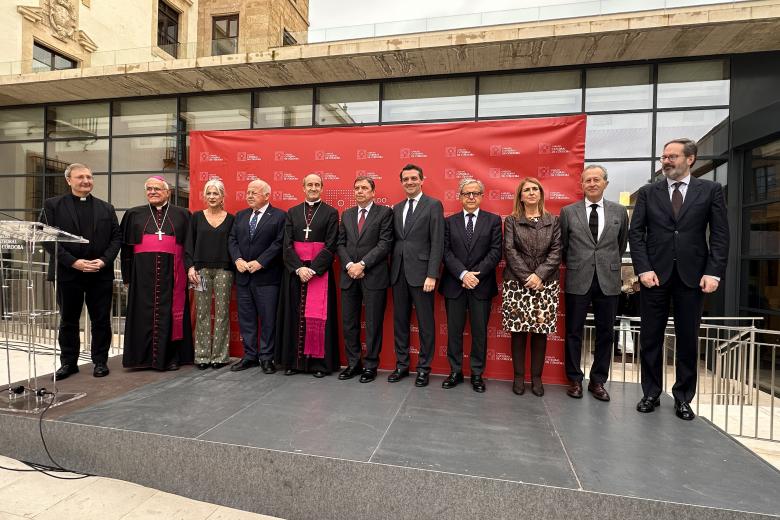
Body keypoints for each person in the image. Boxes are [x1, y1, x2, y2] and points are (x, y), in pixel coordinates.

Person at [630, 138, 729, 420]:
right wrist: (643, 268)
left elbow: (720, 234)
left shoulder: (710, 190)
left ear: (690, 159)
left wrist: (714, 271)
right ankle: (651, 393)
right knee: (650, 338)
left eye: (672, 156)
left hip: (692, 277)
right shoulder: (649, 192)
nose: (666, 161)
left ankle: (683, 398)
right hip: (654, 278)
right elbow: (636, 234)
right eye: (664, 157)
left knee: (687, 340)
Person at [42, 163, 121, 380]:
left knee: (101, 320)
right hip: (68, 273)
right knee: (68, 320)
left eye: (89, 176)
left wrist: (104, 261)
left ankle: (100, 362)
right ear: (69, 180)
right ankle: (69, 363)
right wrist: (73, 262)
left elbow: (116, 238)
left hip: (99, 273)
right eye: (80, 177)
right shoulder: (53, 206)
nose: (86, 180)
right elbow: (47, 238)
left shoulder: (107, 208)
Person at [560, 165, 628, 401]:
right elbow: (564, 248)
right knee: (573, 332)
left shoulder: (619, 212)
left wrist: (605, 264)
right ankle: (575, 380)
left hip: (608, 280)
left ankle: (598, 381)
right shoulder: (568, 212)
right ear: (581, 185)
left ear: (605, 183)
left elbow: (620, 246)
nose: (592, 183)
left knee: (606, 333)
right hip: (578, 278)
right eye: (587, 180)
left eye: (596, 179)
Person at [120, 176, 193, 371]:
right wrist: (127, 277)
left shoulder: (183, 214)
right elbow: (125, 249)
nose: (152, 192)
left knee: (171, 314)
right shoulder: (133, 214)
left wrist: (190, 269)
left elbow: (189, 246)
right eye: (149, 189)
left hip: (173, 274)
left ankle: (172, 357)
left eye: (157, 189)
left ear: (167, 192)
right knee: (142, 315)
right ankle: (141, 358)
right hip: (142, 275)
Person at [439, 178, 502, 393]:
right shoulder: (449, 222)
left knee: (479, 332)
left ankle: (477, 374)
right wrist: (463, 274)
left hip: (481, 284)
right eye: (467, 193)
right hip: (455, 284)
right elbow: (445, 252)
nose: (471, 197)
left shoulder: (493, 220)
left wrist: (475, 275)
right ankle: (455, 371)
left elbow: (495, 252)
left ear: (482, 196)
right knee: (454, 332)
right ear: (460, 197)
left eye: (475, 193)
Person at [275, 173, 340, 377]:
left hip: (318, 273)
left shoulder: (331, 213)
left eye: (317, 184)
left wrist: (313, 269)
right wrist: (298, 268)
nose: (313, 187)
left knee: (317, 317)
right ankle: (293, 362)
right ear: (303, 187)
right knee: (294, 315)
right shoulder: (292, 212)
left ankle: (318, 365)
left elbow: (331, 245)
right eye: (309, 184)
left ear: (322, 188)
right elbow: (286, 245)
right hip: (296, 273)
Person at [502, 178, 561, 397]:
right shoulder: (512, 220)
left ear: (541, 194)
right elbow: (509, 250)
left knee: (540, 333)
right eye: (526, 190)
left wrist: (540, 275)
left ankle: (536, 378)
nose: (531, 192)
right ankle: (518, 377)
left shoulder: (552, 221)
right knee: (518, 332)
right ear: (520, 196)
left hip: (545, 284)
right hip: (517, 283)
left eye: (535, 189)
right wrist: (528, 276)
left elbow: (557, 251)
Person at [389, 164, 444, 387]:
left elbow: (437, 241)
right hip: (398, 273)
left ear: (422, 180)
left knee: (425, 323)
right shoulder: (396, 208)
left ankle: (423, 368)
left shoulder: (433, 205)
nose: (409, 182)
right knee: (400, 321)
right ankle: (402, 365)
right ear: (401, 182)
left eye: (413, 178)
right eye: (405, 179)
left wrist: (432, 274)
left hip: (422, 275)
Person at [336, 176, 393, 383]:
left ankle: (370, 366)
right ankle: (353, 364)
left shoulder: (385, 213)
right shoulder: (347, 214)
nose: (360, 191)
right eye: (357, 188)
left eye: (364, 188)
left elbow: (385, 244)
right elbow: (340, 244)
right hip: (349, 275)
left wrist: (363, 265)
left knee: (373, 323)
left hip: (374, 276)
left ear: (373, 192)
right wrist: (350, 265)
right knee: (349, 323)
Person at [228, 179, 285, 373]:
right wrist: (237, 260)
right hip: (244, 277)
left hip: (267, 278)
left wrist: (261, 262)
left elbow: (279, 243)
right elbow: (232, 239)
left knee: (268, 319)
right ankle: (250, 356)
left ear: (267, 195)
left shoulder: (279, 216)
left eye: (254, 192)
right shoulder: (241, 216)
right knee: (246, 319)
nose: (249, 196)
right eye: (248, 192)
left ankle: (267, 358)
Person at [185, 179, 235, 370]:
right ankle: (202, 355)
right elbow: (189, 244)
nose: (212, 197)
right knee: (202, 312)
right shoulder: (196, 217)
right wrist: (191, 267)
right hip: (201, 270)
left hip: (224, 270)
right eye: (209, 193)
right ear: (204, 196)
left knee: (222, 313)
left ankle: (220, 356)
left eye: (216, 193)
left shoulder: (231, 219)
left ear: (222, 197)